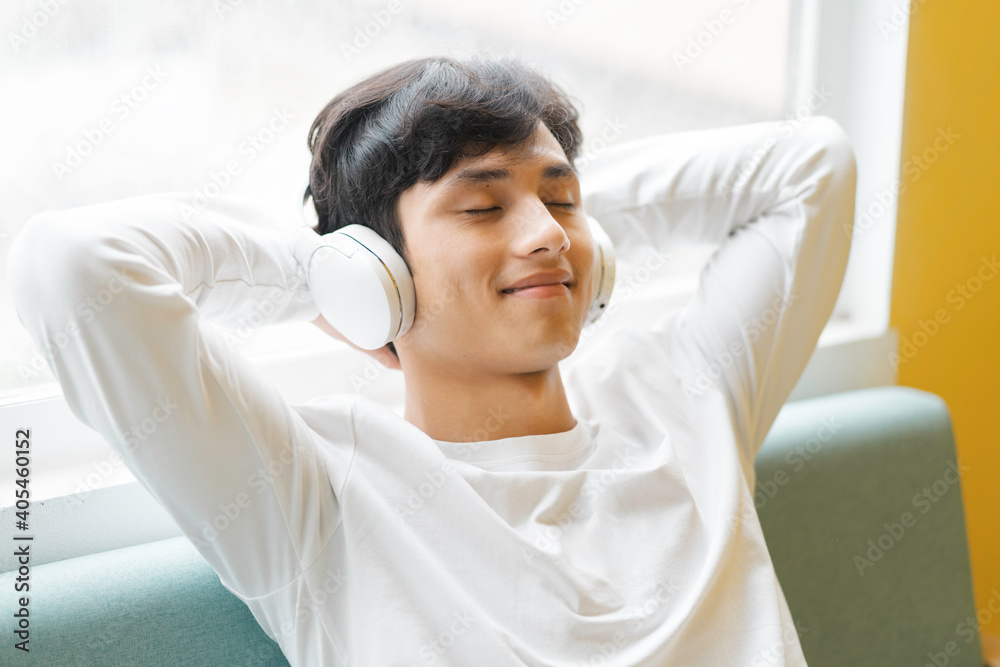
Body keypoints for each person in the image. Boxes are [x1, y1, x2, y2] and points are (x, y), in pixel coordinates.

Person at [7, 55, 857, 666]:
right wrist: (328, 278)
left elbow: (812, 167)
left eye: (560, 197)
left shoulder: (681, 395)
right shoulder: (323, 497)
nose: (545, 231)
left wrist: (569, 241)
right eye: (482, 205)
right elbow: (74, 267)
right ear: (378, 276)